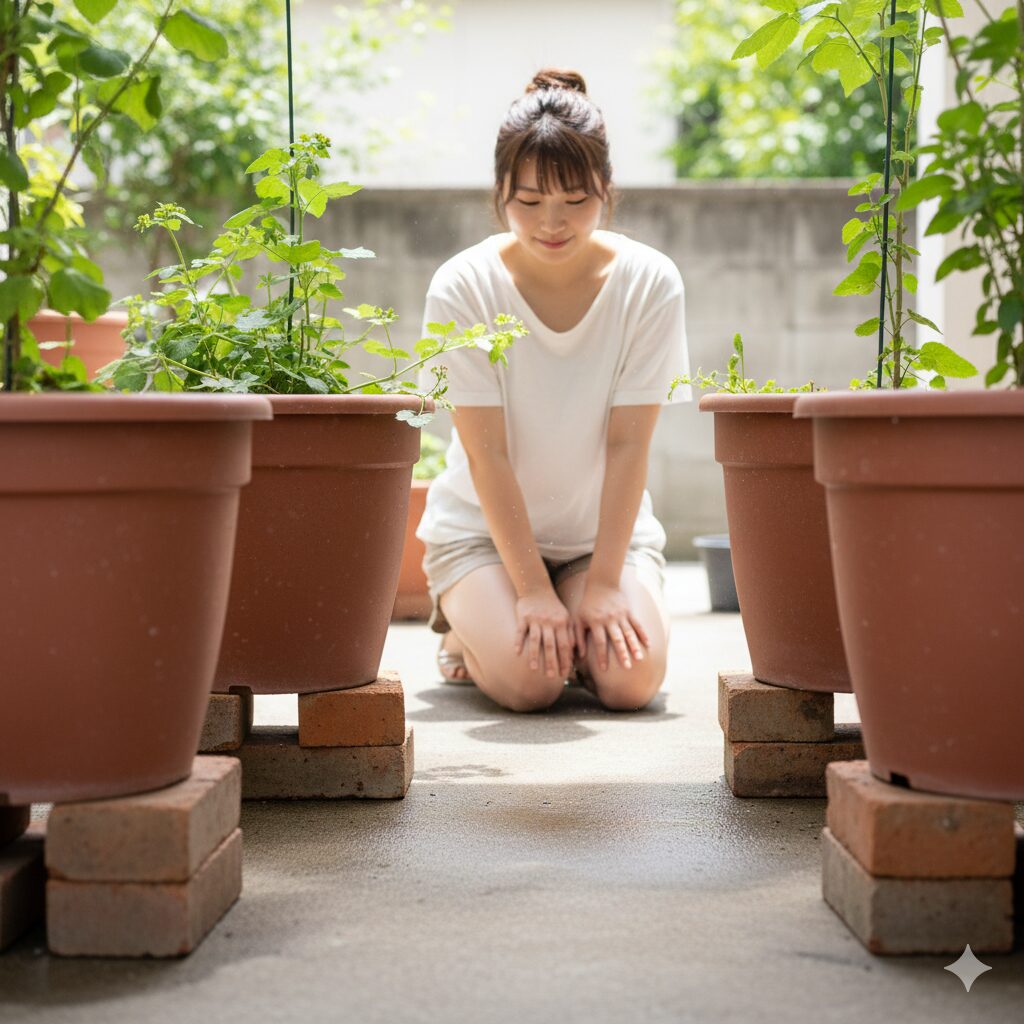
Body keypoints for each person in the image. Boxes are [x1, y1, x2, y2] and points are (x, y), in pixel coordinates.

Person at [416, 68, 690, 713]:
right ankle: (462, 625)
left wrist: (601, 585)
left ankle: (575, 613)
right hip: (483, 536)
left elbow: (628, 445)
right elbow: (489, 455)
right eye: (529, 201)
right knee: (530, 684)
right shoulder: (463, 287)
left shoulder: (650, 282)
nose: (552, 222)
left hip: (602, 538)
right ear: (500, 193)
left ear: (606, 188)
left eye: (575, 199)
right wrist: (532, 591)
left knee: (630, 684)